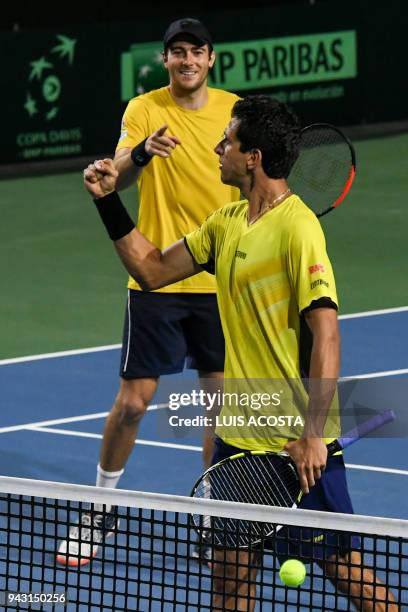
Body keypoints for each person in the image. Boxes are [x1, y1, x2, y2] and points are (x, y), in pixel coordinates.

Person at [81, 95, 397, 611]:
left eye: (227, 140)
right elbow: (153, 270)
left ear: (252, 157)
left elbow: (327, 335)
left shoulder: (299, 229)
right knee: (229, 581)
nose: (216, 147)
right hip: (237, 440)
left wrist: (314, 434)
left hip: (295, 447)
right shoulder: (226, 222)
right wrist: (107, 201)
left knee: (349, 575)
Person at [56, 18, 239, 567]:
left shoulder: (235, 110)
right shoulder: (144, 110)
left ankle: (212, 516)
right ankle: (100, 507)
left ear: (210, 58)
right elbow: (113, 177)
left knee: (220, 409)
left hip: (221, 278)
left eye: (196, 51)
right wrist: (143, 153)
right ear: (165, 61)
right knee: (134, 404)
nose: (187, 60)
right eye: (176, 52)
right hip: (157, 275)